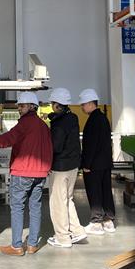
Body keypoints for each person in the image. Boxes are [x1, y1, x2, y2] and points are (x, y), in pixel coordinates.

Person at [0, 92, 52, 256]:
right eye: (19, 106)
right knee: (35, 208)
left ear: (32, 107)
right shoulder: (43, 126)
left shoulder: (25, 123)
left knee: (17, 208)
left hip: (22, 172)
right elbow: (49, 148)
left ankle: (17, 246)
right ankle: (32, 245)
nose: (19, 108)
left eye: (22, 106)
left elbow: (10, 137)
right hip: (40, 174)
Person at [46, 88, 86, 248]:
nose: (51, 106)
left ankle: (62, 237)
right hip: (73, 165)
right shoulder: (73, 117)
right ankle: (77, 231)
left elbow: (56, 146)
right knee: (67, 199)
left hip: (60, 167)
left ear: (57, 105)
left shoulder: (59, 123)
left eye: (52, 103)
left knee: (57, 202)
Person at [79, 88, 116, 235]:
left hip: (94, 165)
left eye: (83, 104)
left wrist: (86, 164)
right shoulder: (103, 118)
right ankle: (109, 221)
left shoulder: (93, 120)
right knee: (105, 191)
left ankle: (96, 222)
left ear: (90, 103)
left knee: (94, 193)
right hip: (105, 163)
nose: (82, 107)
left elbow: (91, 145)